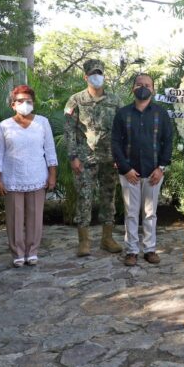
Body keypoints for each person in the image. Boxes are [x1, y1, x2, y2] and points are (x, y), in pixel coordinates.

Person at [0, 85, 58, 267]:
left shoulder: (42, 123)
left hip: (37, 176)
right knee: (14, 217)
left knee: (35, 216)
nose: (24, 104)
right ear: (13, 104)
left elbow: (50, 151)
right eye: (20, 101)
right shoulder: (4, 125)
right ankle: (18, 253)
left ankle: (32, 251)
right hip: (12, 177)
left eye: (28, 101)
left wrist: (52, 175)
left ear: (33, 103)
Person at [111, 73, 174, 266]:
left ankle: (150, 249)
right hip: (129, 173)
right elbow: (115, 143)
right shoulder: (123, 114)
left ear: (153, 89)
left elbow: (168, 141)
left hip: (154, 172)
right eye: (139, 84)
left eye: (147, 85)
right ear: (133, 88)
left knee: (150, 213)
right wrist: (125, 168)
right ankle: (131, 251)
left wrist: (161, 167)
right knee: (131, 213)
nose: (143, 87)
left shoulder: (161, 114)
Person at [64, 59, 123, 256]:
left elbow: (122, 131)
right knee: (84, 198)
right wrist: (73, 156)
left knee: (109, 198)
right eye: (93, 73)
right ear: (86, 76)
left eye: (99, 73)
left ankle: (107, 238)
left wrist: (120, 156)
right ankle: (84, 241)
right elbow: (69, 131)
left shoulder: (115, 101)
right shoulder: (76, 100)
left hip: (109, 158)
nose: (97, 77)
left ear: (104, 75)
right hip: (85, 158)